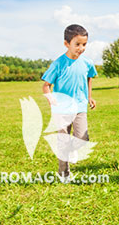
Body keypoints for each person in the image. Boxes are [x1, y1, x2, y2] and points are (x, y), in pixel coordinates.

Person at [42, 24, 97, 183]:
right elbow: (46, 85)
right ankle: (63, 173)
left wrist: (89, 97)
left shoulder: (87, 63)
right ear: (67, 44)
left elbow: (89, 78)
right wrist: (50, 97)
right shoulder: (58, 63)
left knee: (82, 137)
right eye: (77, 44)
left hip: (80, 107)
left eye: (84, 44)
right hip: (61, 109)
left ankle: (73, 149)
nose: (81, 48)